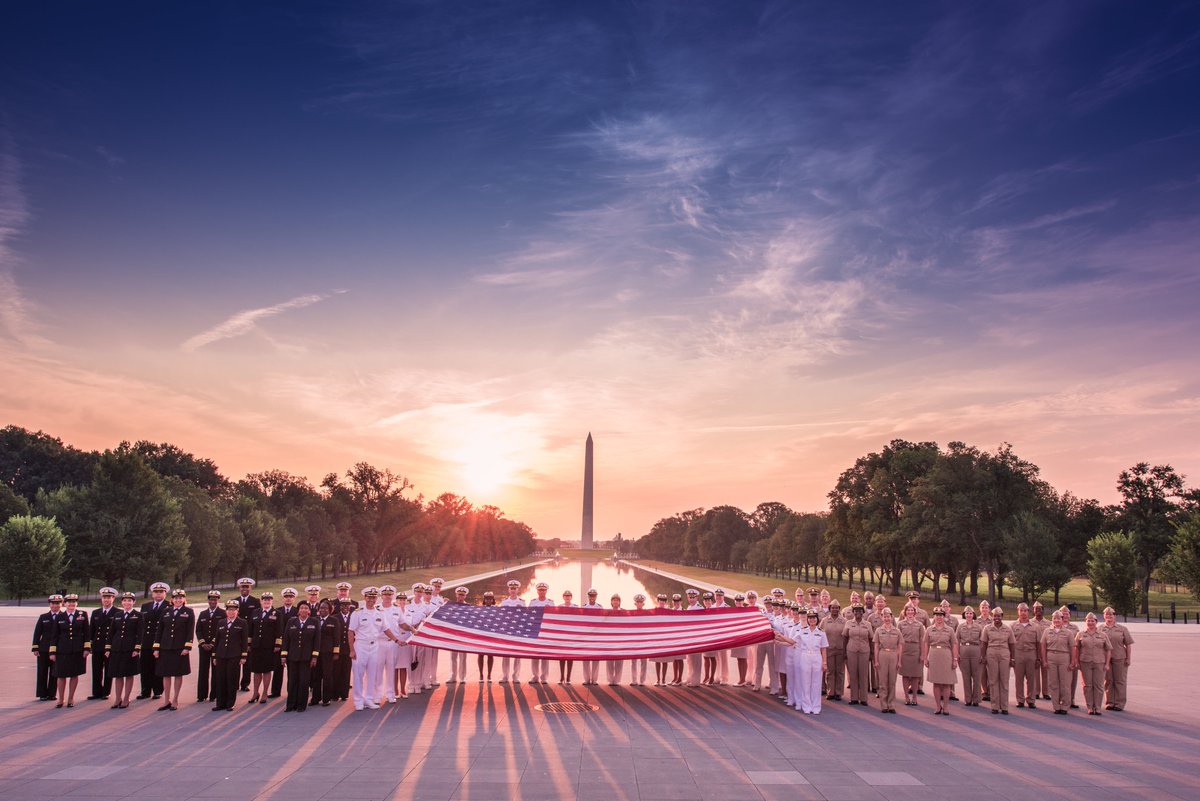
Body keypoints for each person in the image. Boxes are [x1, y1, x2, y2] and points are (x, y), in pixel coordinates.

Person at [153, 588, 195, 711]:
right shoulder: (166, 611)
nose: (178, 600)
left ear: (184, 599)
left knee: (178, 674)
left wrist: (187, 647)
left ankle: (175, 699)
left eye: (180, 598)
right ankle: (166, 700)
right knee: (166, 674)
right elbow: (160, 630)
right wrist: (156, 648)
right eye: (176, 598)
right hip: (165, 647)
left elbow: (189, 631)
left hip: (179, 648)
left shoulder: (188, 612)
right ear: (172, 600)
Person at [349, 587, 387, 710]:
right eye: (369, 597)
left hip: (374, 646)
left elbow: (386, 629)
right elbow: (350, 632)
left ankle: (369, 699)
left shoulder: (379, 613)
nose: (371, 599)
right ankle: (358, 701)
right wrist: (352, 650)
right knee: (358, 674)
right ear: (365, 598)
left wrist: (397, 640)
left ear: (377, 598)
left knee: (372, 674)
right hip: (360, 645)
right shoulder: (357, 613)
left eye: (374, 597)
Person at [51, 593, 90, 708]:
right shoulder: (59, 616)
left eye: (74, 602)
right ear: (65, 604)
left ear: (76, 603)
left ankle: (70, 698)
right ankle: (61, 698)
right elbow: (55, 635)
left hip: (77, 650)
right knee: (61, 675)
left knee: (74, 674)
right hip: (62, 650)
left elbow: (86, 633)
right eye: (69, 602)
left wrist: (86, 648)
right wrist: (52, 652)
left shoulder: (83, 615)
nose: (71, 604)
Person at [282, 601, 320, 712]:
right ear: (298, 610)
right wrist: (283, 655)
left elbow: (317, 641)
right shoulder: (291, 622)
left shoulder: (314, 622)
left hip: (306, 658)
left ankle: (301, 705)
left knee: (304, 681)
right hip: (292, 657)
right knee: (292, 681)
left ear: (309, 611)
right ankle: (290, 705)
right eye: (301, 608)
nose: (303, 610)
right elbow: (286, 639)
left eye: (306, 608)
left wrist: (314, 657)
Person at [211, 600, 248, 711]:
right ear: (226, 611)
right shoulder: (221, 622)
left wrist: (243, 656)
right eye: (229, 609)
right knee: (220, 679)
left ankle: (230, 703)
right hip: (221, 654)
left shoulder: (242, 623)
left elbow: (244, 641)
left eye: (233, 610)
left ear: (237, 611)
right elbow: (217, 640)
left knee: (231, 679)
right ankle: (220, 703)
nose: (231, 612)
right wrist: (214, 655)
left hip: (234, 655)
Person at [107, 592, 142, 708]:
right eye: (125, 600)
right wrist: (108, 647)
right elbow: (111, 633)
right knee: (118, 675)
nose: (127, 603)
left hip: (130, 649)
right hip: (117, 648)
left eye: (130, 600)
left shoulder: (138, 615)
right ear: (121, 602)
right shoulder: (117, 615)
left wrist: (137, 648)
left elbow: (140, 633)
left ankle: (126, 698)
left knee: (129, 674)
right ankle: (118, 698)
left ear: (133, 602)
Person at [1074, 612, 1112, 715]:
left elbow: (1108, 649)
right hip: (1085, 662)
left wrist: (1107, 663)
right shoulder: (1081, 634)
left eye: (1092, 621)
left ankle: (1098, 707)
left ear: (1096, 622)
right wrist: (1076, 661)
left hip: (1099, 662)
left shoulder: (1103, 635)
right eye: (1088, 621)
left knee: (1099, 685)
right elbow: (1076, 648)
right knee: (1087, 685)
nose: (1090, 622)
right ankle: (1090, 707)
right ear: (1085, 622)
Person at [247, 591, 281, 705]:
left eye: (269, 599)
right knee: (256, 671)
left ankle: (265, 693)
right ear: (261, 601)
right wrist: (249, 644)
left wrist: (277, 645)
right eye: (264, 599)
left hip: (269, 647)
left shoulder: (277, 613)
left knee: (266, 670)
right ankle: (255, 692)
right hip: (256, 646)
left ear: (272, 601)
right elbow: (250, 630)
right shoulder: (255, 612)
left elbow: (279, 631)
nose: (266, 601)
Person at [139, 582, 170, 699]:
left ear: (165, 594)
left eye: (161, 592)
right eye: (156, 592)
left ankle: (158, 691)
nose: (158, 594)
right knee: (145, 667)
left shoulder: (169, 606)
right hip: (146, 641)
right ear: (152, 594)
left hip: (161, 641)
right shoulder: (145, 606)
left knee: (158, 667)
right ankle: (145, 691)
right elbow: (142, 625)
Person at [981, 607, 1015, 714]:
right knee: (993, 680)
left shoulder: (1008, 629)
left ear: (1002, 617)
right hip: (992, 653)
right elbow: (984, 644)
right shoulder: (987, 628)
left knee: (1004, 680)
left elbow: (1012, 644)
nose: (996, 618)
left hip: (1004, 654)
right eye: (995, 616)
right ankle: (995, 706)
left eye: (998, 616)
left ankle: (1004, 706)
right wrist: (983, 656)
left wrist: (1013, 658)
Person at [923, 608, 957, 715]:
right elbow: (926, 644)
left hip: (946, 655)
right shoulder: (929, 629)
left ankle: (946, 706)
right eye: (937, 615)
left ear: (944, 617)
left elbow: (954, 645)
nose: (939, 617)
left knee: (946, 683)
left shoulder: (950, 630)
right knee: (936, 683)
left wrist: (955, 659)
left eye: (941, 615)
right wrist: (925, 657)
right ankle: (938, 706)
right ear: (934, 616)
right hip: (934, 656)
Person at [1040, 610, 1074, 714]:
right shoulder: (1047, 631)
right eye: (1054, 618)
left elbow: (1073, 648)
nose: (1056, 620)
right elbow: (1043, 647)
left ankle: (1064, 706)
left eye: (1058, 618)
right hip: (1051, 657)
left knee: (1065, 683)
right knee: (1053, 683)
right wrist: (1044, 660)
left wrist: (1072, 662)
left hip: (1064, 656)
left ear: (1062, 619)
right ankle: (1056, 706)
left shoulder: (1068, 632)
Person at [31, 593, 64, 702]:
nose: (55, 606)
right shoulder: (43, 617)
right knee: (42, 671)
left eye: (58, 603)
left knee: (55, 672)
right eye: (53, 603)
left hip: (58, 649)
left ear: (61, 604)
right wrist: (35, 648)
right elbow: (37, 633)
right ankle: (42, 693)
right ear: (49, 604)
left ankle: (52, 694)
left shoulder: (64, 617)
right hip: (44, 649)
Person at [88, 587, 119, 700]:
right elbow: (91, 630)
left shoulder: (117, 612)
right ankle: (96, 692)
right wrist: (89, 644)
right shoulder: (96, 612)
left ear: (113, 598)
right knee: (96, 669)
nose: (106, 600)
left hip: (109, 645)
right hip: (97, 645)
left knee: (108, 670)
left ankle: (106, 692)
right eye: (104, 597)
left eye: (109, 597)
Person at [1101, 607, 1134, 712]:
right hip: (1106, 659)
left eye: (1111, 614)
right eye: (1107, 614)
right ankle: (1110, 702)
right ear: (1104, 616)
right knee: (1108, 680)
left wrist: (1128, 658)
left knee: (1120, 681)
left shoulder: (1122, 629)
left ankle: (1119, 703)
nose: (1109, 616)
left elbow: (1128, 644)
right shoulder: (1100, 629)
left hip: (1120, 657)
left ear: (1115, 616)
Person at [796, 611, 829, 714]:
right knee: (805, 683)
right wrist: (779, 637)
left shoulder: (821, 632)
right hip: (805, 656)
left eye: (814, 618)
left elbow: (823, 649)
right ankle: (806, 706)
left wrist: (824, 663)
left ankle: (816, 706)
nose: (812, 620)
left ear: (817, 619)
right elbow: (793, 641)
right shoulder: (802, 631)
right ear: (807, 619)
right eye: (810, 618)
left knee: (816, 683)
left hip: (816, 657)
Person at [1010, 603, 1041, 709]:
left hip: (1031, 654)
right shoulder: (1013, 626)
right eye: (1021, 610)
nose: (1023, 612)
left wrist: (1038, 658)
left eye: (1025, 610)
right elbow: (1010, 643)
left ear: (1028, 612)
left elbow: (1038, 644)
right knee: (1019, 679)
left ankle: (1031, 700)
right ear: (1018, 611)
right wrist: (1012, 657)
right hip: (1018, 653)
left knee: (1031, 679)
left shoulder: (1035, 627)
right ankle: (1020, 700)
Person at [271, 588, 300, 699]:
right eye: (286, 597)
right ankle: (275, 691)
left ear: (294, 599)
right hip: (280, 643)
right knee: (278, 668)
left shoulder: (298, 611)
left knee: (292, 669)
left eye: (291, 597)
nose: (288, 599)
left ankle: (291, 691)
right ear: (283, 598)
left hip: (293, 644)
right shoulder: (276, 611)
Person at [312, 600, 343, 706]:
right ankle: (315, 698)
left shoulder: (334, 621)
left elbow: (337, 638)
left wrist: (336, 653)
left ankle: (326, 699)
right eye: (321, 608)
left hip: (328, 653)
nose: (323, 610)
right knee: (316, 676)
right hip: (316, 653)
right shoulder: (314, 620)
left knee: (327, 675)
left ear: (329, 610)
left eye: (325, 608)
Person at [194, 590, 223, 703]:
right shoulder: (203, 614)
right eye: (211, 599)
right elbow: (198, 630)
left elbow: (221, 630)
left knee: (216, 671)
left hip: (216, 647)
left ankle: (214, 695)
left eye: (215, 599)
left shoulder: (222, 613)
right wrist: (202, 643)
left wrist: (212, 643)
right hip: (203, 647)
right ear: (208, 600)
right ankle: (201, 695)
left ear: (218, 601)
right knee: (203, 671)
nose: (213, 601)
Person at [234, 578, 262, 692]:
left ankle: (245, 683)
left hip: (249, 634)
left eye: (247, 586)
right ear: (239, 588)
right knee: (235, 660)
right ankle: (234, 683)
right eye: (243, 586)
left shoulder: (255, 601)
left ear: (250, 588)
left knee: (247, 661)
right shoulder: (234, 601)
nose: (244, 588)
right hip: (236, 634)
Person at [843, 604, 872, 706]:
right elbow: (845, 637)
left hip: (864, 651)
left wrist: (871, 653)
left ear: (863, 612)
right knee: (853, 674)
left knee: (863, 674)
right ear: (853, 612)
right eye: (855, 611)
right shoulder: (848, 623)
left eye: (860, 611)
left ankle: (864, 698)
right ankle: (854, 698)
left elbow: (870, 638)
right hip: (851, 651)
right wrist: (844, 652)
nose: (858, 613)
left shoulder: (867, 624)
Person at [873, 609, 901, 713]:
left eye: (888, 616)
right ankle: (884, 705)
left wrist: (899, 661)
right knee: (882, 681)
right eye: (885, 617)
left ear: (892, 617)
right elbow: (876, 646)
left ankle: (891, 704)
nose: (887, 619)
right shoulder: (879, 630)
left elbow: (900, 646)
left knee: (892, 681)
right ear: (882, 618)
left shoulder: (897, 631)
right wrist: (876, 660)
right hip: (882, 654)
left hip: (893, 655)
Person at [392, 591, 418, 699]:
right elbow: (401, 625)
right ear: (396, 601)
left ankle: (403, 689)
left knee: (404, 667)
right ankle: (395, 690)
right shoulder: (393, 612)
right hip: (396, 640)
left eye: (404, 600)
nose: (402, 602)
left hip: (406, 641)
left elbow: (411, 625)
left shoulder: (409, 612)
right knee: (395, 667)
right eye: (400, 600)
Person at [499, 580, 525, 684]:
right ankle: (505, 676)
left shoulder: (522, 602)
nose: (513, 590)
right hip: (507, 630)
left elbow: (524, 616)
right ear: (509, 590)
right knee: (506, 654)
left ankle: (516, 676)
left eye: (515, 588)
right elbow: (501, 616)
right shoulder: (504, 602)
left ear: (518, 590)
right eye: (511, 588)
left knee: (517, 654)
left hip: (517, 630)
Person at [898, 604, 925, 706]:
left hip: (915, 650)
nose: (910, 612)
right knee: (905, 675)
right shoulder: (900, 624)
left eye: (911, 611)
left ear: (914, 612)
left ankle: (914, 696)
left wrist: (922, 654)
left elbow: (922, 640)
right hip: (904, 650)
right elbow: (898, 641)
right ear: (905, 612)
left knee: (915, 675)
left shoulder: (919, 625)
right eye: (908, 611)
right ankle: (906, 697)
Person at [528, 582, 555, 684]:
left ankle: (544, 677)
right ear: (537, 591)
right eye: (540, 590)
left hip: (546, 631)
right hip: (535, 630)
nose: (542, 591)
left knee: (545, 655)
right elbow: (529, 615)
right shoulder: (533, 602)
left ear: (546, 591)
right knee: (534, 655)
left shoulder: (551, 603)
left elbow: (553, 617)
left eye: (543, 590)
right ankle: (535, 676)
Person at [956, 607, 983, 706]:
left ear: (973, 615)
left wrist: (981, 654)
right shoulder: (960, 626)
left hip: (975, 650)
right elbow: (957, 640)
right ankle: (968, 699)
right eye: (967, 613)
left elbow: (981, 641)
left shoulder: (979, 627)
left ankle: (976, 699)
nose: (968, 615)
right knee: (966, 676)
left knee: (976, 676)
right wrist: (957, 653)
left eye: (970, 613)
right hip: (964, 650)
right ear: (964, 615)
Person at [820, 600, 846, 700]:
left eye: (837, 608)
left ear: (839, 609)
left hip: (840, 649)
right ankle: (830, 691)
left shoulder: (844, 621)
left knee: (839, 672)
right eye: (833, 607)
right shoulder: (824, 620)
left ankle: (838, 692)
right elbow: (820, 634)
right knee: (830, 671)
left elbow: (846, 635)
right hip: (829, 649)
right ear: (830, 608)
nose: (834, 609)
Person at [446, 586, 470, 683]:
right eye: (459, 594)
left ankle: (462, 677)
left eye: (463, 595)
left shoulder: (468, 606)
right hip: (454, 635)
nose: (461, 596)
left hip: (463, 635)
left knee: (463, 657)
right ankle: (453, 676)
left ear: (465, 596)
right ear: (456, 595)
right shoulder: (451, 606)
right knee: (453, 657)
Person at [332, 599, 354, 700]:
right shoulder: (335, 617)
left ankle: (344, 694)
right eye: (343, 605)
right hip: (338, 649)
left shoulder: (354, 617)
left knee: (346, 672)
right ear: (339, 606)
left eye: (347, 605)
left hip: (349, 649)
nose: (345, 607)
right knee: (336, 671)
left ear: (350, 606)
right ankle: (335, 694)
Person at [581, 588, 604, 686]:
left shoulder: (600, 607)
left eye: (594, 595)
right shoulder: (583, 607)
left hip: (596, 636)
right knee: (585, 658)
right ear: (588, 596)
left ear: (596, 596)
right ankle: (586, 679)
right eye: (590, 595)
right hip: (586, 636)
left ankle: (594, 679)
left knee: (595, 658)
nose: (592, 597)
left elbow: (603, 620)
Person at [1060, 605, 1081, 708]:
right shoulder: (1054, 627)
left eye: (1067, 613)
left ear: (1070, 615)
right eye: (1063, 614)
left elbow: (1078, 645)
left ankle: (1071, 700)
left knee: (1073, 679)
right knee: (1060, 679)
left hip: (1072, 655)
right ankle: (1061, 699)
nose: (1065, 615)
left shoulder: (1075, 628)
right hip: (1060, 656)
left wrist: (1076, 659)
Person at [1031, 601, 1050, 700]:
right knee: (1035, 672)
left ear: (1043, 611)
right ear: (1033, 610)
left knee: (1046, 671)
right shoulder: (1030, 623)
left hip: (1046, 650)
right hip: (1034, 650)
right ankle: (1036, 691)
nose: (1038, 611)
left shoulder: (1049, 623)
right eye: (1036, 609)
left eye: (1040, 609)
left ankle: (1046, 692)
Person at [607, 593, 626, 686]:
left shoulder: (624, 612)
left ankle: (617, 680)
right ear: (611, 601)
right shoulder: (607, 612)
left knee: (619, 661)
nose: (615, 601)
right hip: (610, 639)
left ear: (619, 602)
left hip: (620, 639)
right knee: (610, 661)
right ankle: (610, 679)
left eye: (617, 600)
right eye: (614, 600)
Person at [630, 593, 650, 686]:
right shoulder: (631, 614)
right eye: (637, 602)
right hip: (634, 641)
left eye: (641, 602)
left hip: (643, 641)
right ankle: (634, 680)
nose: (639, 604)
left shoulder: (647, 614)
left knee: (643, 662)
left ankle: (642, 680)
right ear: (635, 603)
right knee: (633, 662)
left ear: (643, 604)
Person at [558, 590, 576, 684]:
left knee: (570, 657)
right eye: (566, 596)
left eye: (569, 596)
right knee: (561, 657)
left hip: (571, 636)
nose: (567, 597)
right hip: (562, 635)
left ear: (571, 597)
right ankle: (561, 677)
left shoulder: (575, 607)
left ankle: (568, 678)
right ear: (563, 597)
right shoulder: (560, 607)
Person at [478, 591, 496, 682]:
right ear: (484, 600)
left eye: (490, 598)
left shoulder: (496, 609)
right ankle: (481, 675)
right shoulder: (480, 609)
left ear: (493, 600)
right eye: (487, 598)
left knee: (490, 656)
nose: (488, 600)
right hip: (482, 635)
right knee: (480, 655)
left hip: (491, 635)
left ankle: (489, 675)